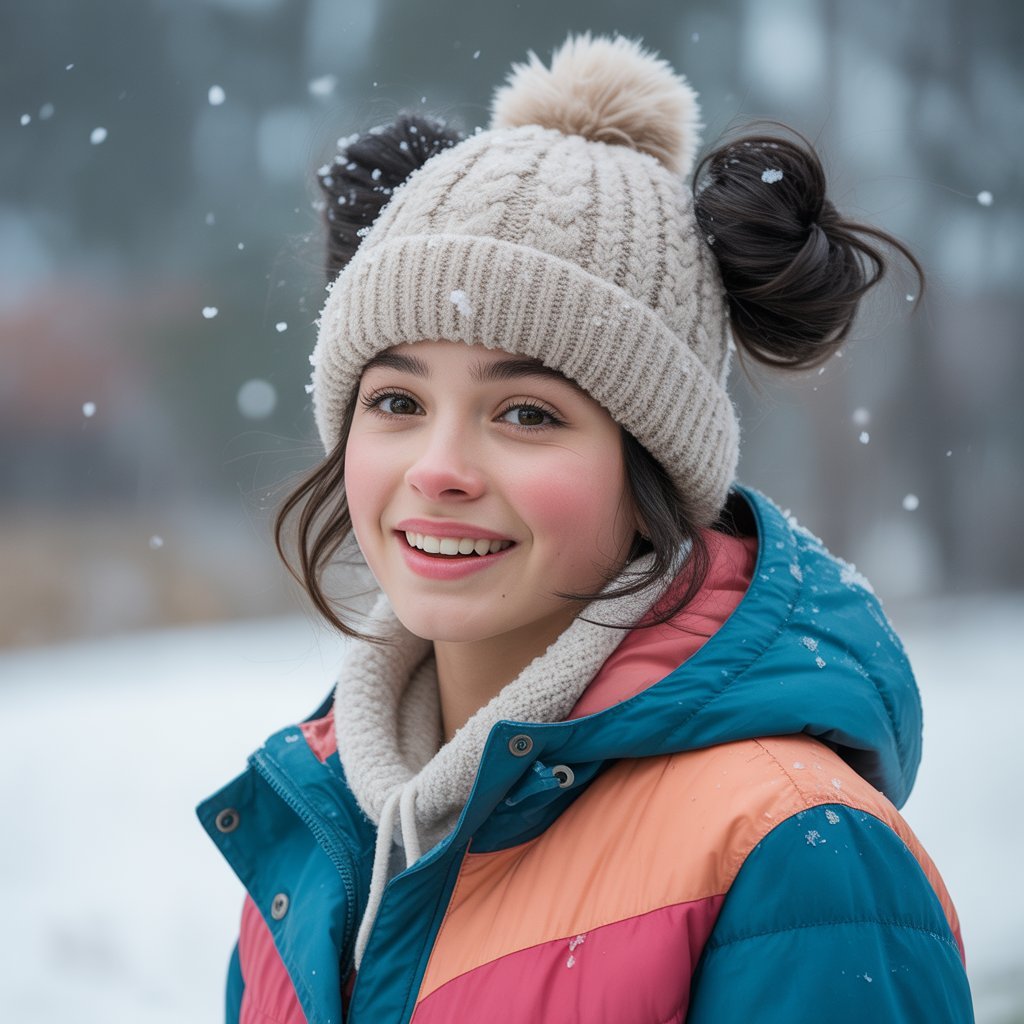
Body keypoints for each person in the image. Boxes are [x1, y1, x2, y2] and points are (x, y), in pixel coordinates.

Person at [198, 33, 974, 1023]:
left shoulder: (789, 850)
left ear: (650, 469)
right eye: (396, 401)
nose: (438, 467)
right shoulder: (310, 830)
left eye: (526, 413)